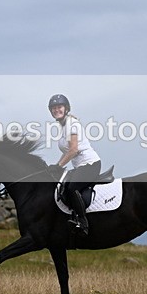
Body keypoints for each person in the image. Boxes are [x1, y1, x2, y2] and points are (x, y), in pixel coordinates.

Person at [48, 93, 102, 236]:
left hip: (91, 164)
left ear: (66, 108)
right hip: (80, 166)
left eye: (59, 107)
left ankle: (82, 222)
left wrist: (59, 166)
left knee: (72, 189)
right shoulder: (64, 126)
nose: (56, 110)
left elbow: (73, 150)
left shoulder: (72, 124)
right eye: (53, 108)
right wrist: (55, 166)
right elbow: (67, 152)